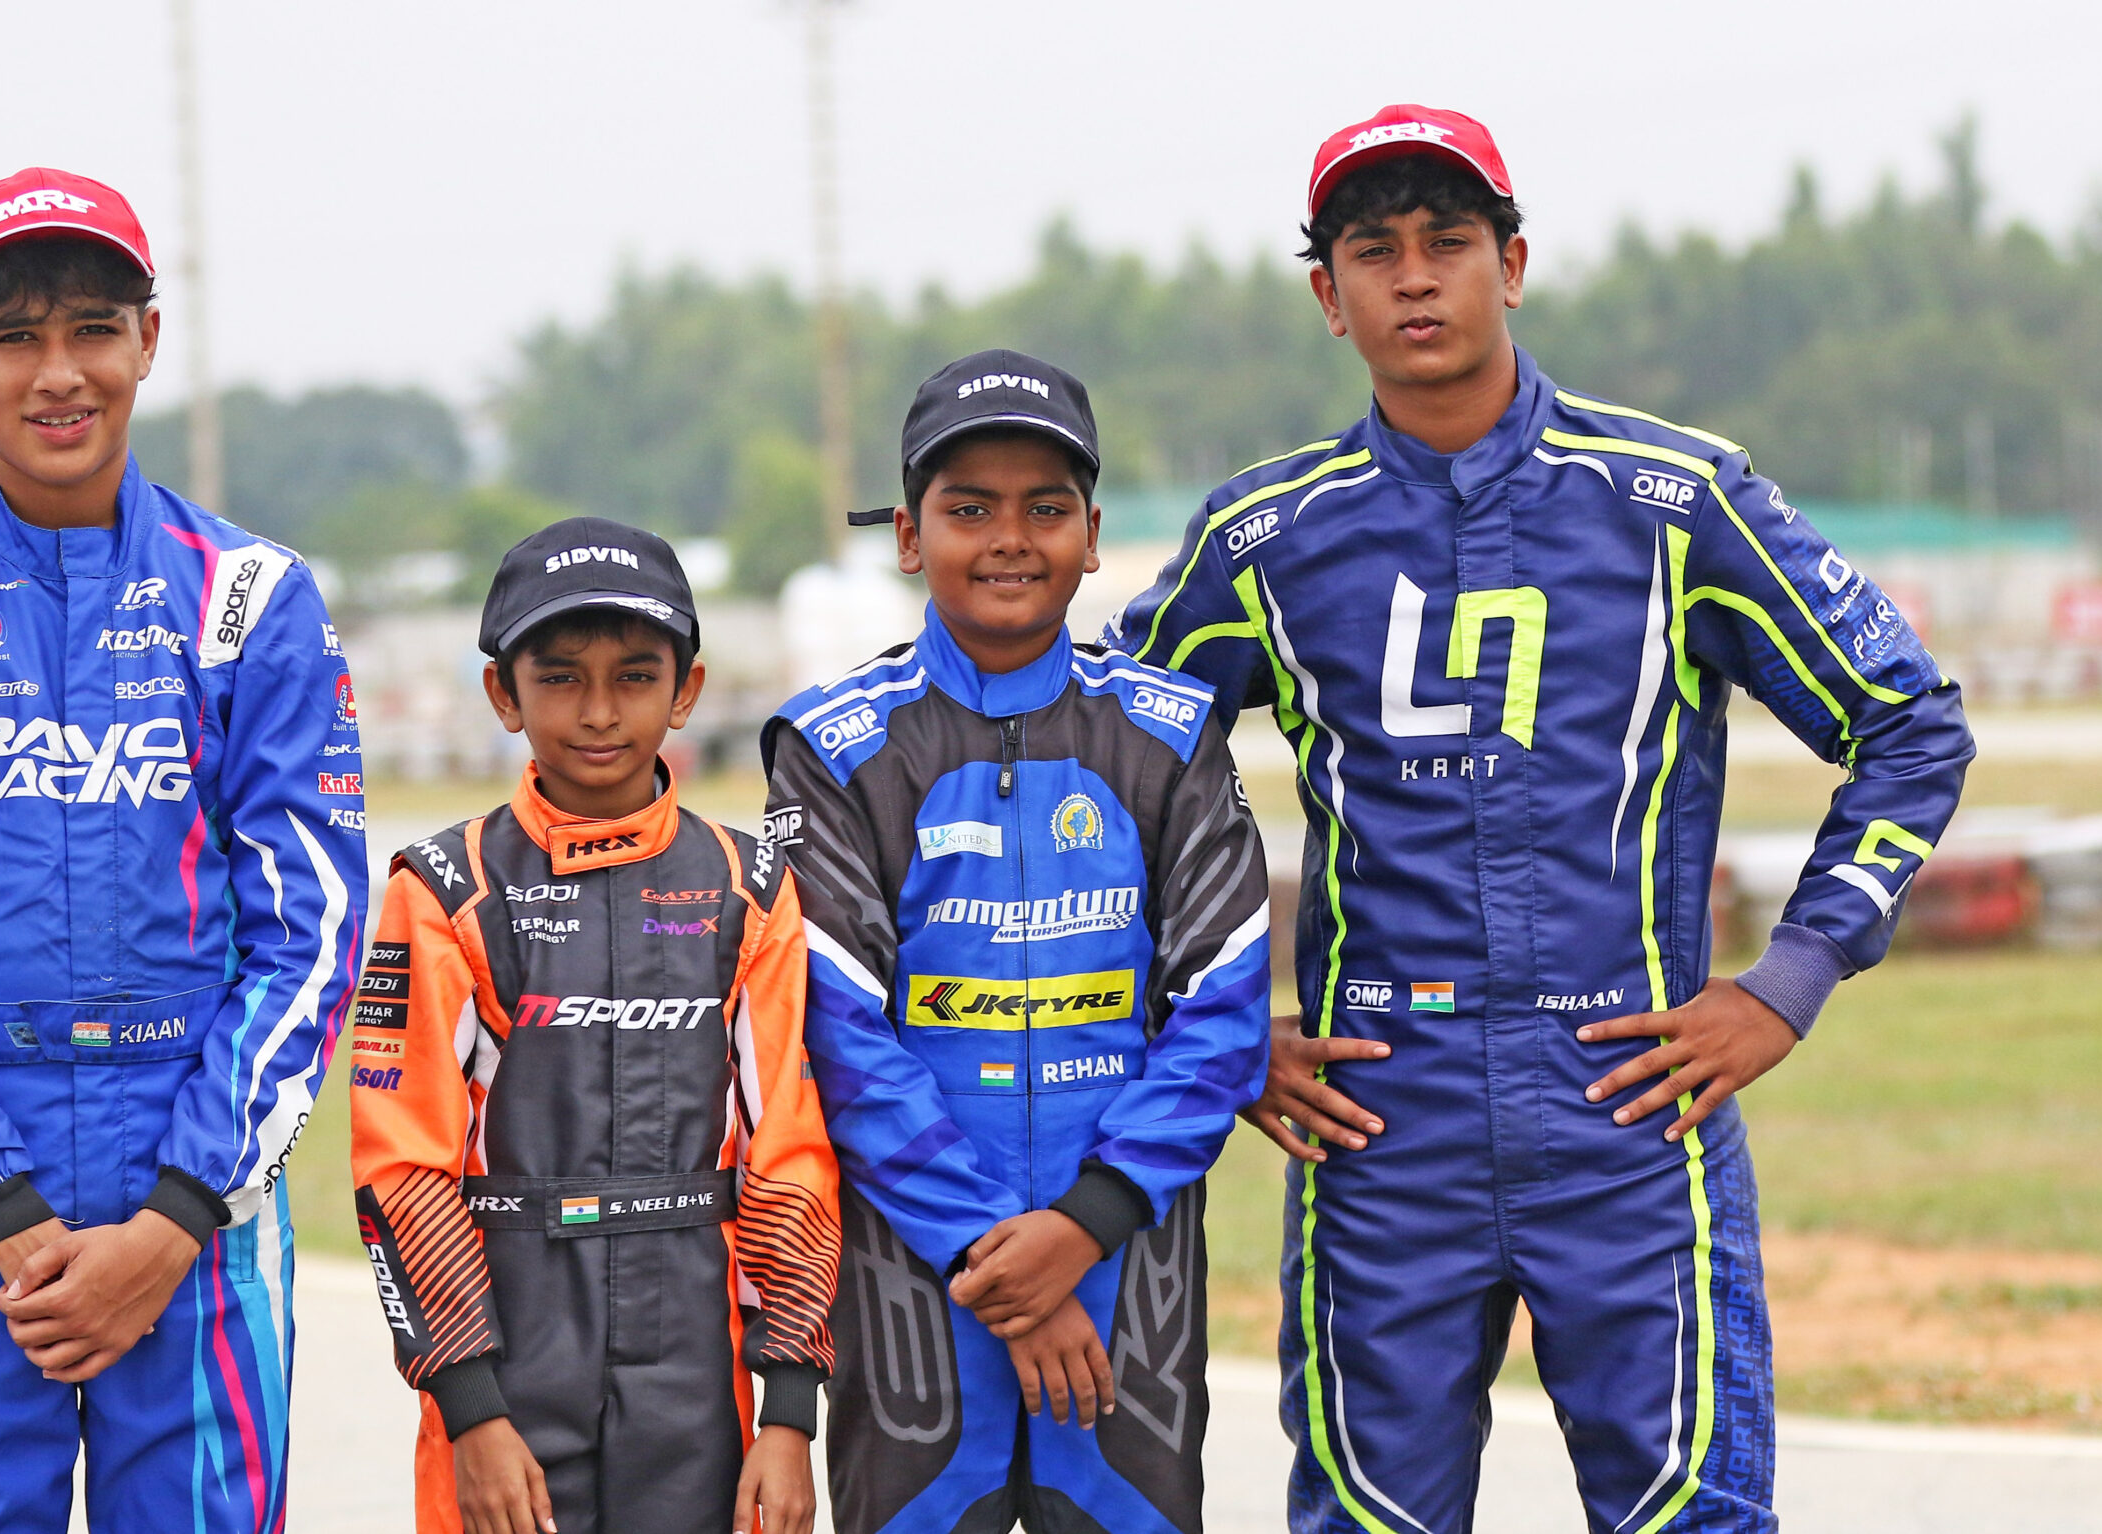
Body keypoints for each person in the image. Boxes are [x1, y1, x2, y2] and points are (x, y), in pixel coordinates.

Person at [1106, 105, 1976, 1532]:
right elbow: (1105, 787)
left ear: (1514, 262)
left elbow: (1910, 724)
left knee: (1693, 1511)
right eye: (1372, 249)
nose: (1416, 276)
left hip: (1633, 1100)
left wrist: (1791, 982)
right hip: (1379, 1117)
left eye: (1449, 240)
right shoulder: (1262, 539)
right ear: (1328, 296)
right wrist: (1217, 1038)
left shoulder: (1678, 500)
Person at [0, 168, 365, 1533]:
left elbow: (312, 933)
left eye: (91, 327)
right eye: (15, 333)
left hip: (192, 1184)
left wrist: (171, 1223)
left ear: (149, 340)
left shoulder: (252, 598)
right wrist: (10, 1216)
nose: (57, 372)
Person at [764, 350, 1273, 1534]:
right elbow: (837, 1034)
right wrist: (999, 1262)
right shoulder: (833, 747)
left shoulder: (1167, 736)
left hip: (1122, 1259)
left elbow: (1223, 1010)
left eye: (1045, 507)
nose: (1009, 537)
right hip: (921, 1278)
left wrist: (1082, 1226)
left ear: (1093, 535)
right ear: (907, 532)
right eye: (968, 508)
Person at [351, 516, 841, 1534]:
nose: (600, 711)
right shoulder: (442, 891)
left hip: (697, 1374)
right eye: (561, 676)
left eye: (635, 675)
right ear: (503, 693)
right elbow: (400, 1169)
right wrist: (470, 1410)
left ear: (687, 688)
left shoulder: (748, 888)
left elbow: (787, 1154)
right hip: (507, 1351)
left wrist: (789, 1413)